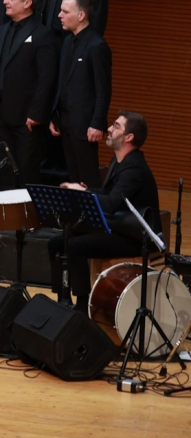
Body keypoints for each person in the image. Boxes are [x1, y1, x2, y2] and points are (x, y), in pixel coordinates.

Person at [47, 112, 159, 306]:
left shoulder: (134, 169)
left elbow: (110, 203)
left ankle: (82, 305)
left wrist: (84, 191)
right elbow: (106, 193)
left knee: (74, 246)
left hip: (134, 236)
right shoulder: (119, 160)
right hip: (118, 227)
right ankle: (62, 298)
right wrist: (87, 191)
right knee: (56, 242)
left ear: (129, 137)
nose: (109, 128)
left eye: (116, 126)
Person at [0, 0, 57, 188]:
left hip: (27, 117)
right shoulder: (0, 31)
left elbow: (47, 79)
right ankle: (6, 217)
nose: (4, 1)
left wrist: (36, 113)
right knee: (4, 167)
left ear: (27, 3)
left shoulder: (43, 34)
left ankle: (29, 216)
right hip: (0, 114)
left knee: (27, 169)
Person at [51, 0, 111, 190]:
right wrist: (55, 115)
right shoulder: (68, 41)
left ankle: (94, 219)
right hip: (66, 120)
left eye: (65, 11)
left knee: (88, 176)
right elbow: (62, 81)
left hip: (85, 124)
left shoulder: (97, 46)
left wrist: (97, 123)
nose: (60, 15)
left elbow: (103, 89)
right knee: (72, 174)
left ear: (81, 15)